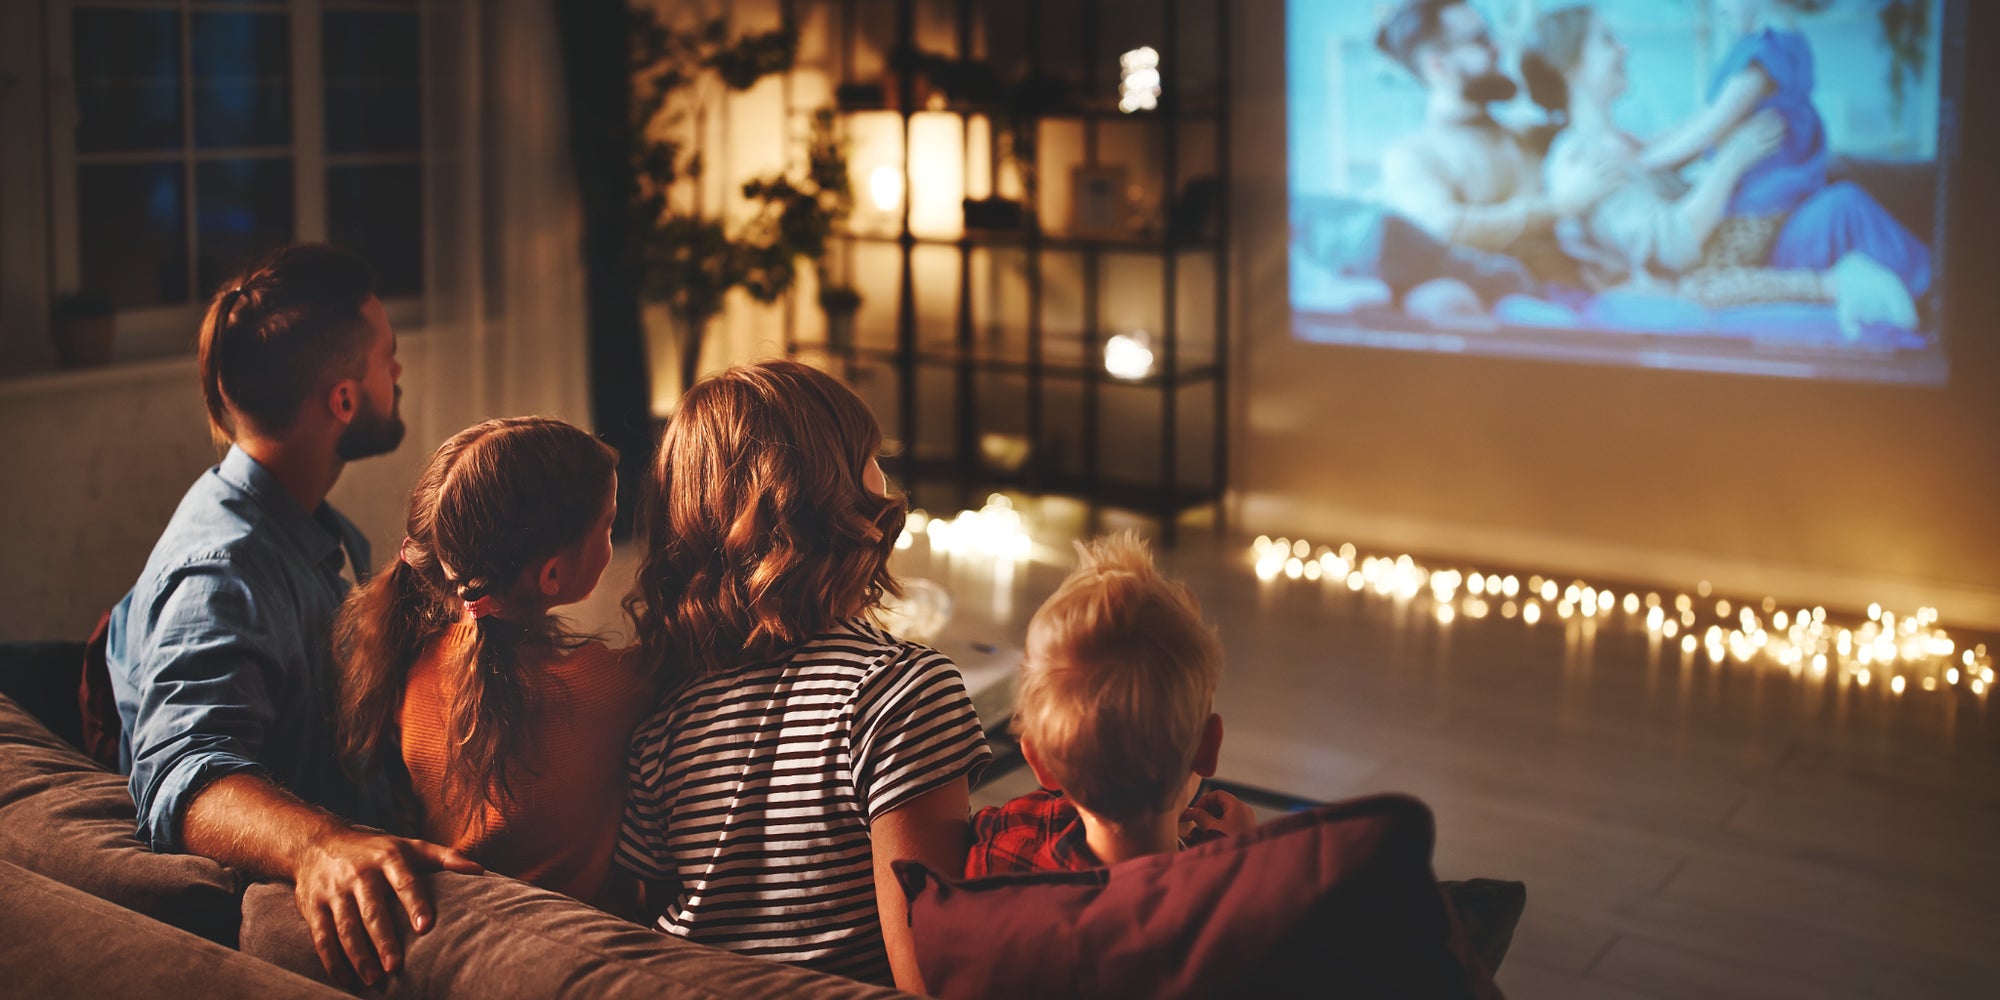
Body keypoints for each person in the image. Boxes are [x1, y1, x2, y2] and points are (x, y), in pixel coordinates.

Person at [104, 243, 479, 989]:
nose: (397, 374)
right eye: (388, 359)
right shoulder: (222, 571)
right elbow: (184, 771)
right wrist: (319, 846)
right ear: (343, 400)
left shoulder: (295, 524)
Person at [616, 359, 991, 991]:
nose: (886, 477)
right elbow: (931, 972)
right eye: (871, 456)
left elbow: (643, 912)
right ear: (832, 491)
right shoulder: (901, 692)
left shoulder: (663, 717)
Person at [333, 417, 651, 912]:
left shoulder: (411, 664)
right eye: (608, 525)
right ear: (551, 574)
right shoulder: (606, 687)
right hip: (583, 930)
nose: (613, 534)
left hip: (469, 919)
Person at [1525, 5, 1920, 333]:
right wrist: (1732, 160)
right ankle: (1930, 303)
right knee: (1843, 209)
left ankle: (1936, 299)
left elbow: (1698, 128)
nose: (1623, 49)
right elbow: (1673, 246)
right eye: (1606, 40)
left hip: (1734, 246)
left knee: (1842, 203)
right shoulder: (1583, 161)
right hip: (1703, 275)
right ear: (1569, 66)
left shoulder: (1626, 142)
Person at [965, 532, 1253, 878]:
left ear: (1039, 762)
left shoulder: (1005, 843)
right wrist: (1239, 853)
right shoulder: (1223, 891)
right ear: (1208, 746)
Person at [1635, 0, 1931, 300]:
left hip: (1761, 205)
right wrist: (1646, 144)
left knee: (1699, 282)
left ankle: (1838, 287)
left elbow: (1711, 126)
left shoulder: (1765, 56)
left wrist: (1645, 162)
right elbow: (1702, 117)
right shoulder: (1764, 45)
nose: (1718, 7)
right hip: (1764, 199)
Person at [1374, 0, 1621, 284]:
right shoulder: (1411, 155)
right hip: (1511, 311)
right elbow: (1443, 227)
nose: (1498, 48)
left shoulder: (1529, 137)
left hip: (1582, 298)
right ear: (1439, 66)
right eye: (1480, 40)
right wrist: (1559, 206)